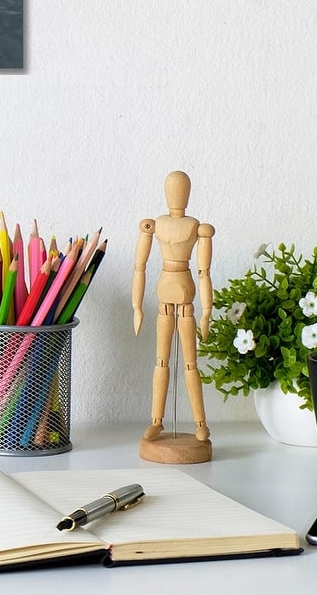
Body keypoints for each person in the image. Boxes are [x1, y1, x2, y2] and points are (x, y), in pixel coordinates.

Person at [132, 171, 214, 448]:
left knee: (190, 363)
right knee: (161, 361)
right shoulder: (155, 224)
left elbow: (204, 272)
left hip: (186, 292)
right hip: (165, 291)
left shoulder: (197, 227)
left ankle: (200, 423)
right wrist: (136, 305)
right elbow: (139, 267)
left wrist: (206, 311)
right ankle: (157, 420)